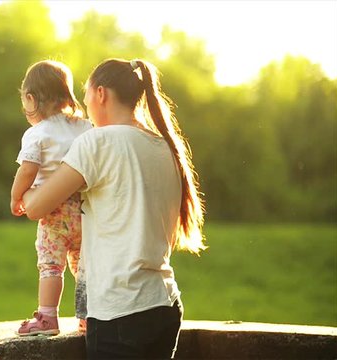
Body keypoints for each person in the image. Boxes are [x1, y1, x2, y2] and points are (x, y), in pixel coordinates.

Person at [22, 58, 206, 359]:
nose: (86, 109)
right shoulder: (165, 146)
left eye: (86, 98)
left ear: (101, 94)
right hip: (165, 303)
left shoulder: (97, 142)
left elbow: (36, 207)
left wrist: (24, 189)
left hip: (120, 312)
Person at [10, 60, 93, 336]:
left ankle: (47, 317)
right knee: (83, 267)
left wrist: (16, 197)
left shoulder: (37, 133)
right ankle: (88, 318)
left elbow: (27, 169)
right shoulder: (86, 126)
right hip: (85, 211)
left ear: (31, 98)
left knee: (50, 266)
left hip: (53, 213)